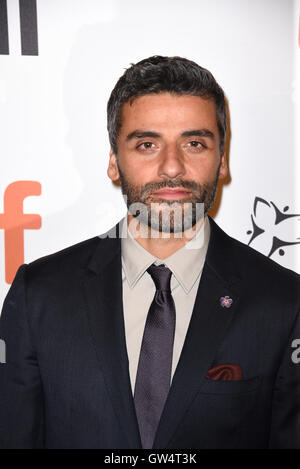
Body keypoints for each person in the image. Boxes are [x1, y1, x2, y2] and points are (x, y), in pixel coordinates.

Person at [0, 56, 299, 449]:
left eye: (194, 143)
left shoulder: (284, 302)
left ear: (222, 160)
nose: (172, 167)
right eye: (147, 144)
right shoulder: (39, 294)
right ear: (114, 162)